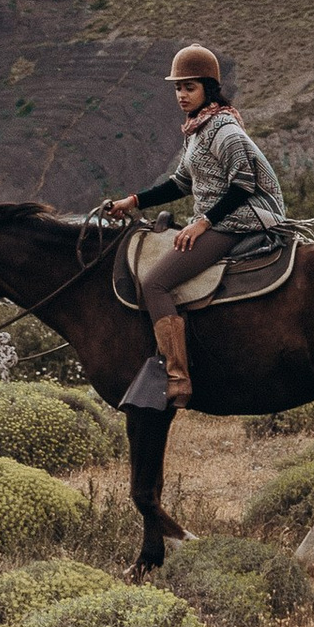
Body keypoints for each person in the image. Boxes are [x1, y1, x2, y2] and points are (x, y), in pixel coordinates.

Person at [110, 42, 288, 407]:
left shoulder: (224, 131)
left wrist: (202, 224)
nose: (181, 94)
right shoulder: (197, 131)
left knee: (155, 283)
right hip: (219, 219)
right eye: (177, 88)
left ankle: (177, 378)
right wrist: (135, 200)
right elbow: (180, 183)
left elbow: (244, 185)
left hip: (241, 220)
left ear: (209, 88)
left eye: (189, 87)